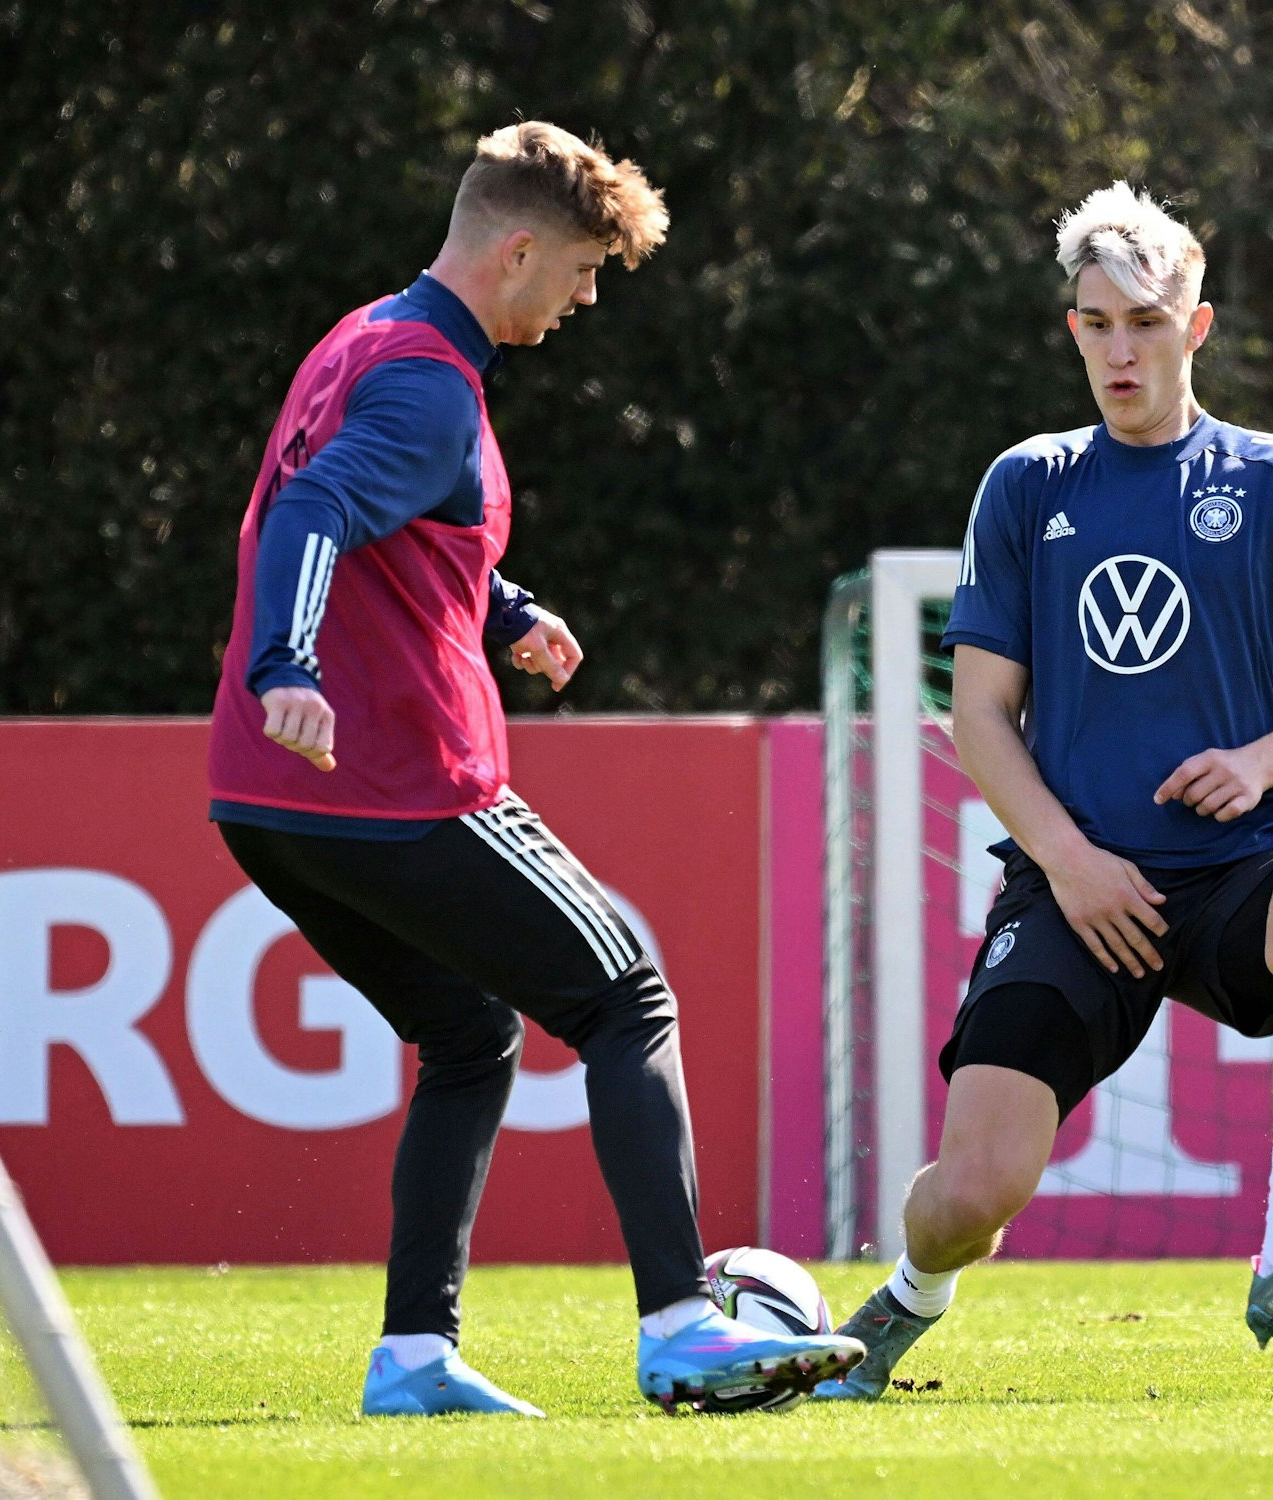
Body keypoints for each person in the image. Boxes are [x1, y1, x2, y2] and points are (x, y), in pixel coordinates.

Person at [206, 121, 862, 1416]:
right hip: (384, 778)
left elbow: (394, 518)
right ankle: (682, 1327)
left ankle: (414, 1357)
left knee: (471, 1036)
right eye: (580, 272)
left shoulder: (366, 339)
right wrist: (289, 663)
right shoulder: (429, 384)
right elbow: (317, 510)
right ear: (516, 251)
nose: (585, 299)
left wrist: (501, 609)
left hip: (267, 801)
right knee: (627, 993)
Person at [816, 182, 1273, 1400]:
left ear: (1194, 328)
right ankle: (904, 1298)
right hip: (1074, 878)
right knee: (971, 1202)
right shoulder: (1027, 485)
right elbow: (978, 715)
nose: (1119, 349)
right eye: (1095, 324)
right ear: (1071, 331)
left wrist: (1262, 762)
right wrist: (1069, 861)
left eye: (1144, 322)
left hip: (1238, 873)